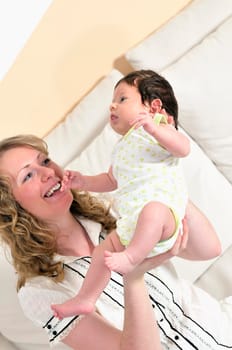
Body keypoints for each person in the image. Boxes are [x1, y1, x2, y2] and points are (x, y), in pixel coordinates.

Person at [0, 135, 231, 350]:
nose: (48, 172)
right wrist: (134, 278)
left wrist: (160, 182)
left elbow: (209, 248)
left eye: (45, 161)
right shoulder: (40, 292)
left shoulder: (115, 208)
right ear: (10, 210)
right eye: (27, 175)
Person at [51, 69, 191, 318]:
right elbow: (110, 180)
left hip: (164, 217)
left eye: (122, 99)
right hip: (134, 226)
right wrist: (82, 181)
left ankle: (131, 258)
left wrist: (154, 128)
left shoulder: (160, 126)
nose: (112, 106)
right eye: (113, 101)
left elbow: (183, 149)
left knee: (153, 211)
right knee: (102, 251)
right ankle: (85, 298)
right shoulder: (121, 147)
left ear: (154, 107)